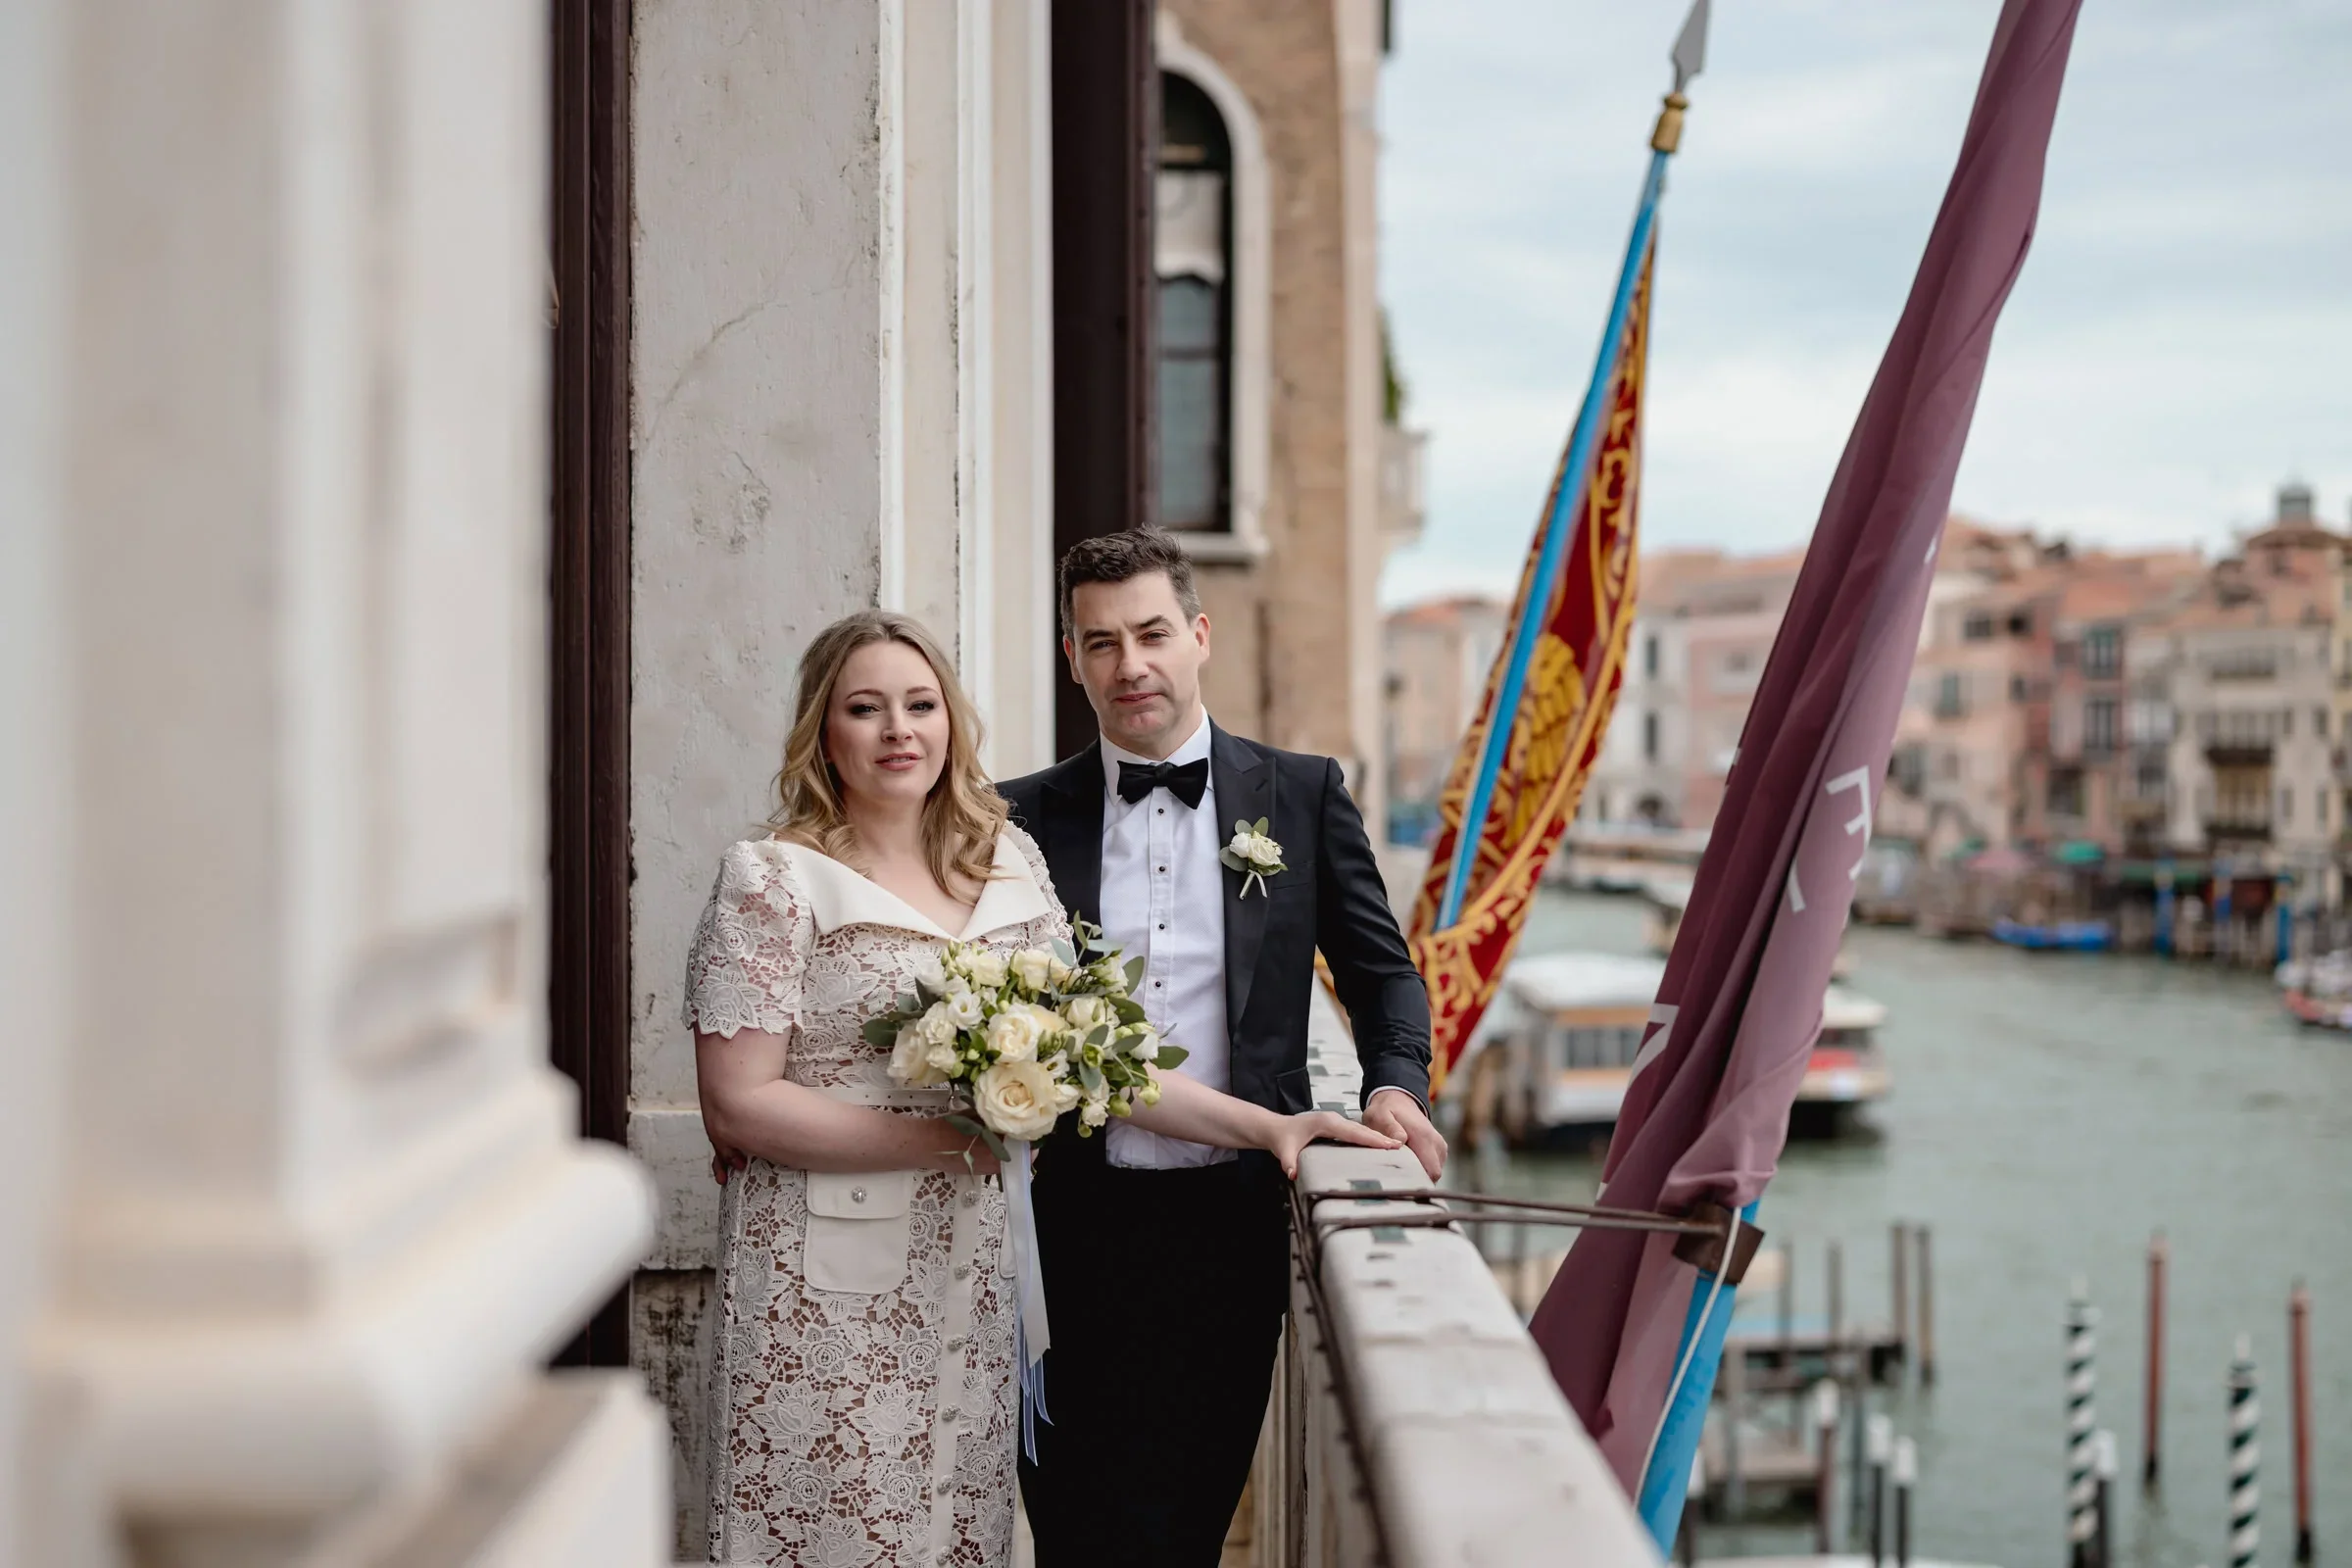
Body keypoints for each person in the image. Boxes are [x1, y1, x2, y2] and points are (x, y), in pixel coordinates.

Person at [684, 609, 1395, 1566]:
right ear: (823, 729)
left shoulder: (1005, 862)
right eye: (866, 708)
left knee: (957, 1533)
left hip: (978, 1276)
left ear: (951, 721)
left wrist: (1271, 1128)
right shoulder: (770, 879)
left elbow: (1095, 1063)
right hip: (823, 1281)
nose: (899, 730)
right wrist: (958, 1140)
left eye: (921, 704)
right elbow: (739, 1101)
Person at [998, 530, 1444, 1568]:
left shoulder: (1300, 792)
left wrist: (1395, 1085)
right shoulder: (1016, 818)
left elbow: (1384, 977)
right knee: (1071, 1527)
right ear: (1072, 660)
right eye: (1100, 643)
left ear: (1199, 636)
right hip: (1063, 1226)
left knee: (1185, 1527)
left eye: (1152, 633)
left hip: (1231, 1227)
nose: (1130, 665)